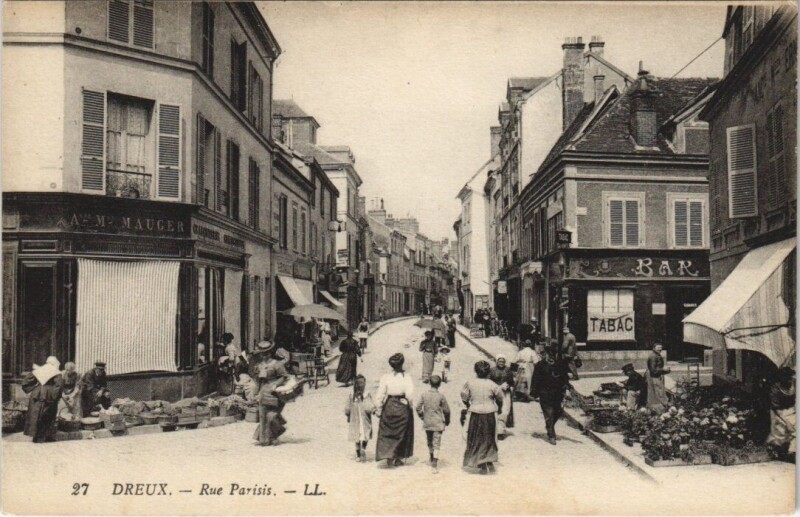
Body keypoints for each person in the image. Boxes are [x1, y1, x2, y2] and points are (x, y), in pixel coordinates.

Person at [462, 360, 503, 474]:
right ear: (488, 372)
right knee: (489, 437)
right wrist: (498, 408)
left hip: (475, 412)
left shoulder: (470, 383)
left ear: (476, 371)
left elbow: (464, 397)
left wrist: (469, 405)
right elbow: (500, 398)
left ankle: (480, 462)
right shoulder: (492, 384)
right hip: (490, 413)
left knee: (476, 437)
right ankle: (489, 460)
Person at [375, 353, 415, 466]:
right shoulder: (407, 377)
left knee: (387, 432)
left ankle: (388, 456)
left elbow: (380, 394)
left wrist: (379, 407)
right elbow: (410, 395)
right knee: (402, 432)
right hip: (402, 405)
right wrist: (409, 405)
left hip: (389, 405)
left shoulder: (386, 377)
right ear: (402, 364)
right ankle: (398, 457)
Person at [251, 340, 290, 446]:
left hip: (275, 392)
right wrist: (254, 393)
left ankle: (274, 434)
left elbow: (284, 376)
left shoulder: (277, 364)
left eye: (266, 354)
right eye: (262, 354)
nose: (264, 356)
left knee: (272, 415)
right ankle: (265, 439)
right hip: (263, 391)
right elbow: (256, 380)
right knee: (263, 415)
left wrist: (276, 384)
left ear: (270, 353)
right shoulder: (259, 366)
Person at [532, 341, 570, 445]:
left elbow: (564, 378)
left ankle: (550, 425)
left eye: (553, 355)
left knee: (558, 412)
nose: (551, 357)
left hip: (557, 394)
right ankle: (551, 435)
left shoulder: (559, 365)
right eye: (549, 355)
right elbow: (535, 379)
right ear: (545, 355)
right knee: (549, 414)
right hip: (544, 393)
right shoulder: (540, 366)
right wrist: (534, 393)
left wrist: (567, 388)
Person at [416, 374, 450, 473]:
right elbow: (446, 410)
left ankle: (431, 457)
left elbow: (418, 407)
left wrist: (422, 416)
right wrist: (447, 421)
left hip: (427, 423)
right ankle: (434, 464)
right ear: (439, 385)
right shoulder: (441, 396)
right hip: (438, 423)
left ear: (429, 383)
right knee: (437, 443)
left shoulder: (424, 394)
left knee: (429, 441)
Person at [23, 357, 63, 443]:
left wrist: (34, 387)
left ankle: (36, 437)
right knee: (48, 415)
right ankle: (46, 436)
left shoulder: (40, 369)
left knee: (35, 415)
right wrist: (55, 397)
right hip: (49, 395)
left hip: (37, 394)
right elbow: (58, 386)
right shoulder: (56, 372)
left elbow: (26, 381)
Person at [766, 367, 795, 461]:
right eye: (787, 378)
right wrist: (787, 422)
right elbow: (776, 408)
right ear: (782, 378)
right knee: (780, 433)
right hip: (778, 412)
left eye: (790, 377)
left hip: (792, 410)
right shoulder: (776, 389)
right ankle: (777, 452)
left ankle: (792, 451)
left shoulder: (794, 385)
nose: (789, 380)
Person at [345, 374, 375, 462]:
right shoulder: (366, 395)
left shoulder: (351, 396)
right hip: (364, 420)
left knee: (357, 437)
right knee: (365, 434)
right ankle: (363, 448)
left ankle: (358, 455)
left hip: (355, 420)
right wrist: (374, 410)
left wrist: (348, 415)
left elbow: (347, 408)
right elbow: (369, 405)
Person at [489, 355, 515, 439]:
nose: (501, 363)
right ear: (496, 361)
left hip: (505, 393)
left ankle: (500, 431)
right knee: (494, 410)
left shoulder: (508, 370)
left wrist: (508, 385)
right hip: (494, 393)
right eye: (499, 361)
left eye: (503, 362)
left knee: (504, 411)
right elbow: (488, 382)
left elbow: (512, 382)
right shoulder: (492, 370)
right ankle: (492, 430)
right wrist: (497, 386)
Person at [645, 343, 671, 412]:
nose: (660, 349)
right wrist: (663, 369)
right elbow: (653, 370)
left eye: (661, 347)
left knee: (658, 391)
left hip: (656, 375)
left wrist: (665, 371)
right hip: (654, 376)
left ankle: (660, 407)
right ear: (653, 348)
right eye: (658, 347)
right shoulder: (653, 356)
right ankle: (662, 407)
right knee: (659, 391)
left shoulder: (656, 355)